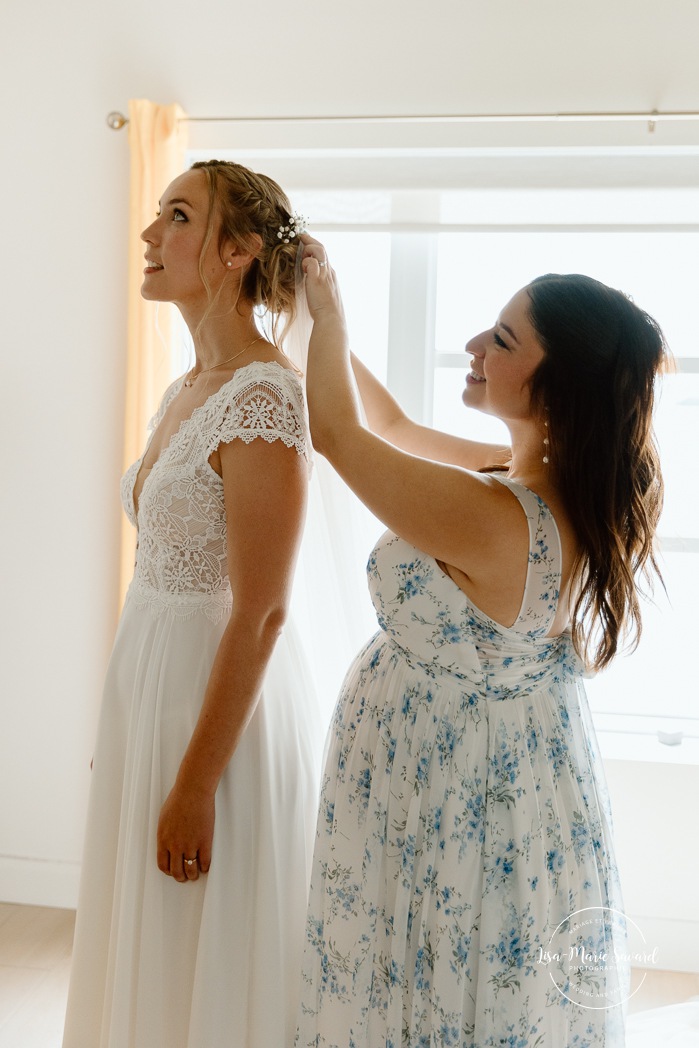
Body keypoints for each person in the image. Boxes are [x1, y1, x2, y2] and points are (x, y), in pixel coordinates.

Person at [296, 238, 668, 1046]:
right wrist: (309, 322)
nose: (473, 346)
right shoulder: (550, 482)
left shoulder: (494, 517)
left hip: (441, 786)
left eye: (501, 339)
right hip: (503, 778)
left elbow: (338, 434)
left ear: (555, 384)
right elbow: (387, 424)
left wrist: (327, 310)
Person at [63, 160, 322, 1048]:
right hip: (151, 693)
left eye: (177, 216)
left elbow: (261, 612)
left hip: (219, 722)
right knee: (151, 950)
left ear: (238, 252)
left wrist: (195, 782)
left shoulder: (263, 398)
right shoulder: (185, 390)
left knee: (204, 949)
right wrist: (128, 731)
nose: (149, 235)